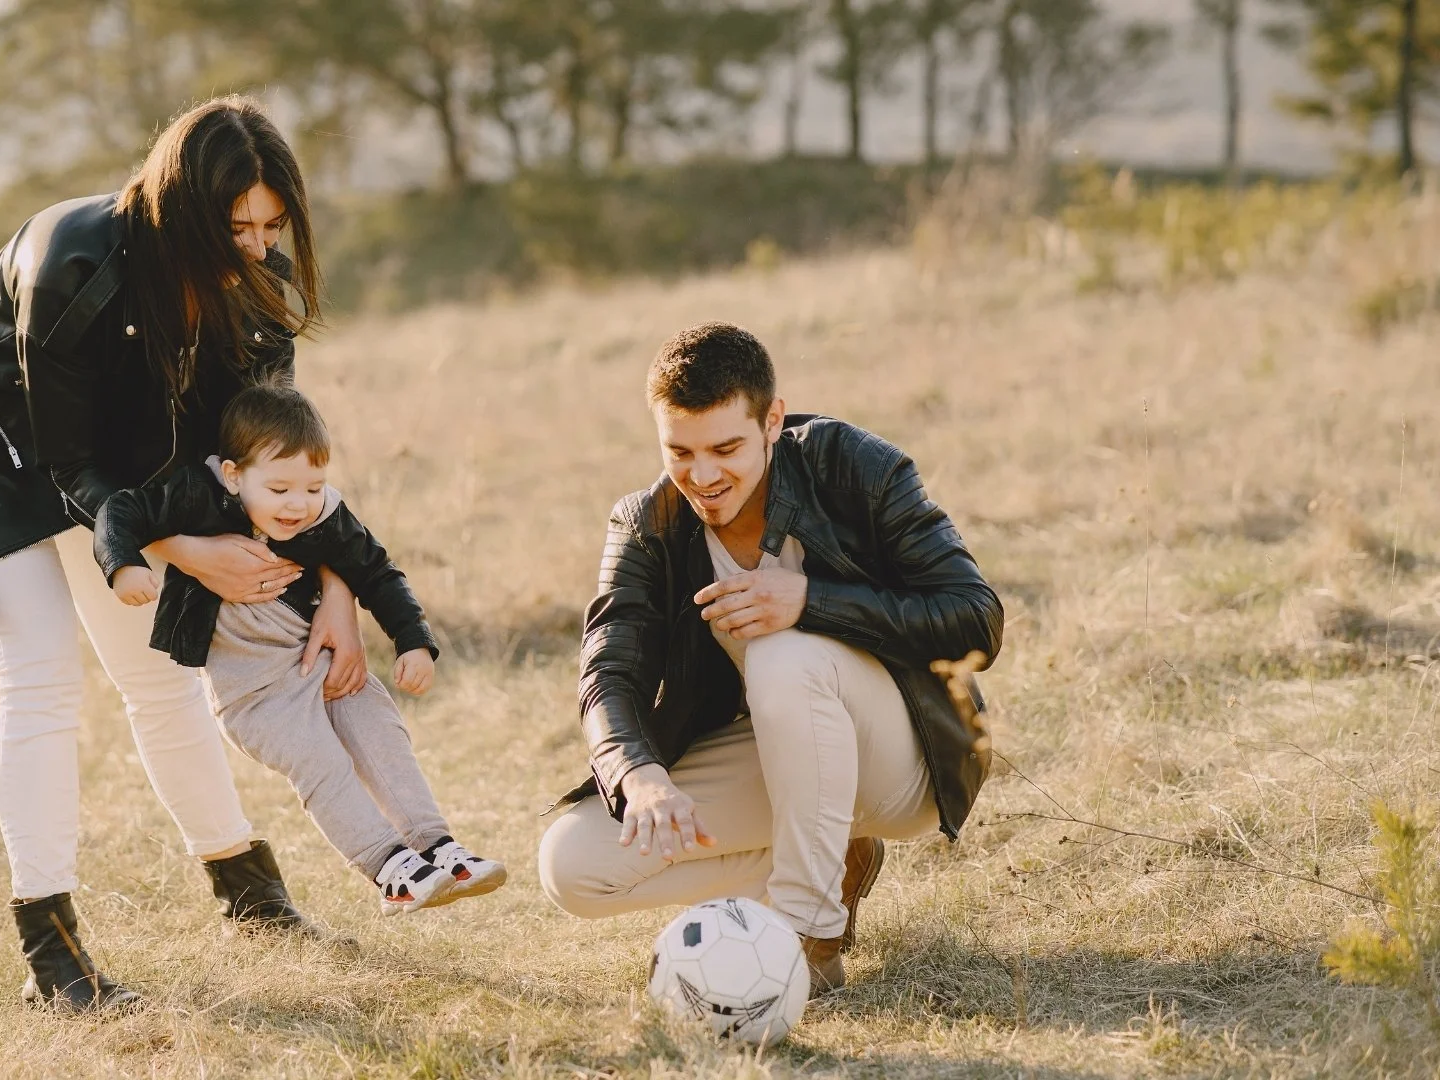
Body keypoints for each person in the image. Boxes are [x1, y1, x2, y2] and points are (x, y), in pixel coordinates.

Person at [0, 96, 363, 1015]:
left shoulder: (258, 297)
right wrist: (181, 545)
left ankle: (251, 897)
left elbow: (274, 466)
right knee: (40, 671)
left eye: (272, 228)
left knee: (159, 671)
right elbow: (69, 459)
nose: (257, 250)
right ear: (184, 212)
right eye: (235, 229)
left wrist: (337, 586)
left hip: (105, 446)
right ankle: (53, 956)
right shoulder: (70, 262)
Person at [537, 322, 1003, 994]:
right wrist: (639, 774)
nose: (702, 476)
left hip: (905, 759)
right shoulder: (646, 522)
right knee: (573, 865)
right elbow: (608, 670)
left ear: (772, 421)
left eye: (726, 448)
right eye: (679, 451)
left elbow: (976, 617)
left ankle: (806, 933)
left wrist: (811, 601)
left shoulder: (854, 466)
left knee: (784, 655)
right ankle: (830, 863)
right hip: (779, 752)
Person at [95, 384, 508, 916]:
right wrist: (123, 564)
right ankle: (390, 869)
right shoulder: (195, 497)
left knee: (381, 733)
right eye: (280, 488)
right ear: (233, 475)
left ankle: (436, 847)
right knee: (321, 762)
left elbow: (378, 572)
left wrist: (414, 642)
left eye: (313, 486)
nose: (297, 503)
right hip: (256, 693)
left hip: (323, 665)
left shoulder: (325, 516)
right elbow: (118, 510)